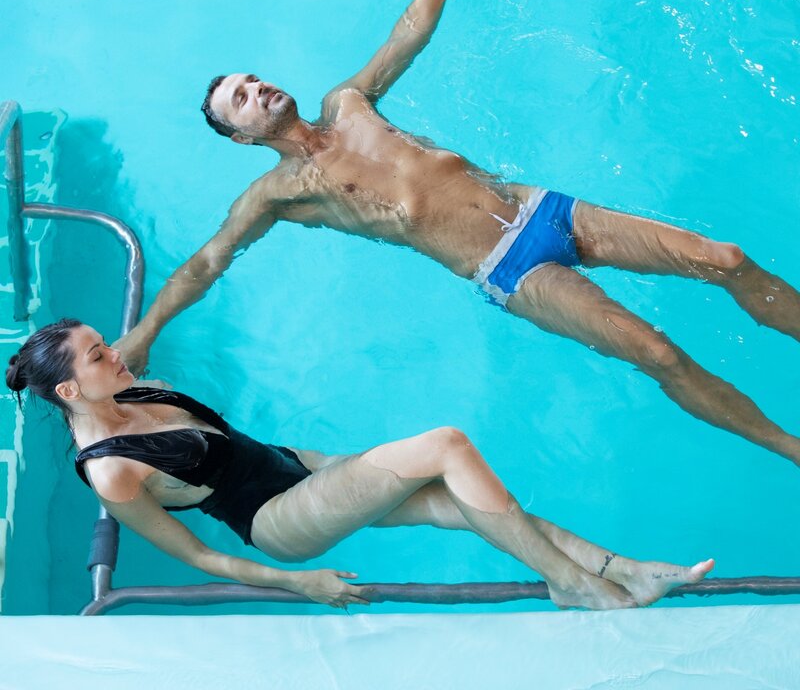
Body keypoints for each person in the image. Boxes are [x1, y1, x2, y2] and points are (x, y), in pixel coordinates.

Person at [117, 0, 800, 465]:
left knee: (728, 258)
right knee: (659, 354)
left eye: (253, 78)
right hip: (512, 270)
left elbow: (405, 36)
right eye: (241, 98)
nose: (258, 87)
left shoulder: (347, 101)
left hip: (545, 209)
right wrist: (148, 328)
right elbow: (210, 260)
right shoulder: (281, 194)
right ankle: (789, 448)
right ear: (240, 137)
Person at [6, 318, 713, 610]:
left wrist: (330, 464)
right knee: (447, 445)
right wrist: (298, 582)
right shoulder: (112, 470)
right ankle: (572, 584)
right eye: (99, 354)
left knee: (458, 499)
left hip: (298, 468)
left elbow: (240, 441)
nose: (116, 353)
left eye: (106, 341)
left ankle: (620, 569)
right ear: (69, 391)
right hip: (279, 520)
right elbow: (200, 554)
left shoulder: (132, 387)